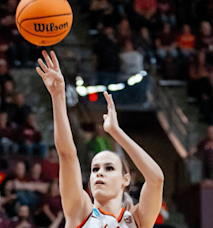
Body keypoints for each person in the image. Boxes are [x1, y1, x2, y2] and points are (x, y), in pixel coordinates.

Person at [36, 50, 164, 227]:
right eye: (95, 169)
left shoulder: (136, 220)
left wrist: (116, 132)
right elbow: (67, 154)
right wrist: (58, 96)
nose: (99, 173)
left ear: (125, 180)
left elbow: (156, 179)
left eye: (109, 168)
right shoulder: (80, 211)